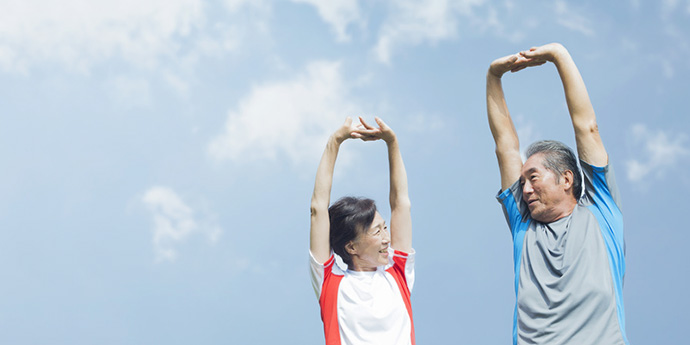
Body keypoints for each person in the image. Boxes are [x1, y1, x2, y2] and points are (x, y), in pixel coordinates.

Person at [486, 43, 629, 345]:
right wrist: (493, 76)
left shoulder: (600, 211)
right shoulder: (523, 224)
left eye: (533, 178)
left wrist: (558, 55)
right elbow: (505, 145)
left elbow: (587, 128)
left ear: (566, 179)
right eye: (522, 181)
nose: (523, 189)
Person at [309, 116, 415, 345]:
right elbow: (318, 209)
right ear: (351, 246)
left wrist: (392, 142)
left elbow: (401, 204)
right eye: (377, 232)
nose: (388, 239)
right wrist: (335, 141)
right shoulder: (330, 282)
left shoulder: (398, 273)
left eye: (385, 228)